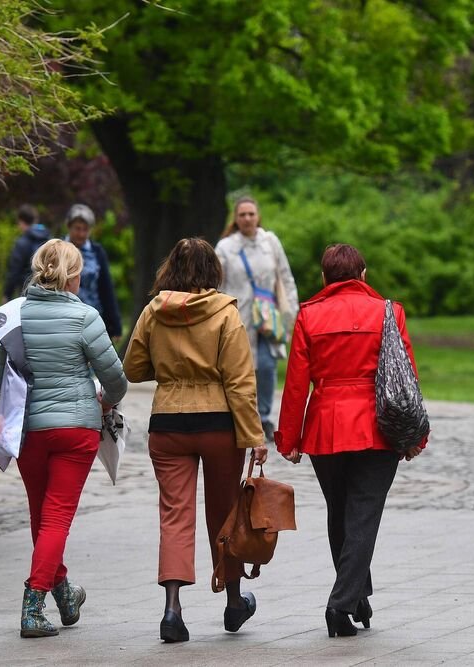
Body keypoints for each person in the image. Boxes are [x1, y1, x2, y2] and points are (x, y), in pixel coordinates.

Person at [275, 243, 426, 638]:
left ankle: (356, 597)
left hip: (325, 425)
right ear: (363, 274)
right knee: (363, 516)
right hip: (378, 425)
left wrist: (289, 437)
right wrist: (416, 434)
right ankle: (340, 605)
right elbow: (406, 376)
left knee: (340, 512)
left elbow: (296, 382)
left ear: (325, 277)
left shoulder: (309, 315)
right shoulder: (389, 312)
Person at [123, 238, 268, 643]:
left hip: (168, 422)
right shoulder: (225, 314)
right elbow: (239, 383)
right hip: (219, 424)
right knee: (226, 514)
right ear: (213, 271)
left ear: (170, 269)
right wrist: (253, 435)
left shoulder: (154, 312)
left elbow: (132, 368)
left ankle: (172, 610)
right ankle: (234, 602)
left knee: (175, 515)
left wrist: (170, 370)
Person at [0, 239, 127, 638]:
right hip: (75, 430)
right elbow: (116, 379)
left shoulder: (13, 317)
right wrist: (105, 402)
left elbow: (2, 380)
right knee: (55, 519)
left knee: (42, 516)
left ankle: (65, 594)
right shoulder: (86, 317)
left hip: (28, 430)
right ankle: (33, 606)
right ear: (73, 275)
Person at [215, 196, 299, 443]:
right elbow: (217, 283)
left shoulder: (270, 242)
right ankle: (241, 416)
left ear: (258, 216)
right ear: (236, 218)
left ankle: (264, 416)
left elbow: (285, 277)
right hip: (238, 317)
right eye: (242, 214)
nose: (247, 219)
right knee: (239, 369)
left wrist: (290, 311)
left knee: (267, 364)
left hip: (267, 317)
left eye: (251, 214)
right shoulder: (225, 247)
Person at [65, 204, 123, 340]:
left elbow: (106, 289)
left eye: (85, 229)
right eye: (77, 228)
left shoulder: (97, 252)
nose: (81, 234)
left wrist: (115, 325)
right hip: (65, 318)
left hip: (92, 319)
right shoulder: (58, 248)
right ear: (69, 227)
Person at [2, 204, 51, 301]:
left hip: (27, 294)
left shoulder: (22, 243)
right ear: (35, 220)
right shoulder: (49, 240)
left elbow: (14, 272)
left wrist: (7, 294)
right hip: (48, 293)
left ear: (21, 221)